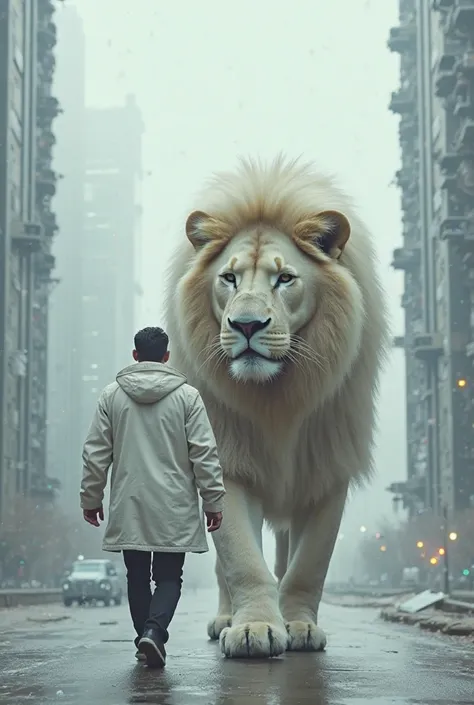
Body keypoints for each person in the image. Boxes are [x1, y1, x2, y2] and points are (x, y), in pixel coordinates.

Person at [80, 326, 225, 668]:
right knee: (169, 577)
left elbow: (95, 453)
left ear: (135, 355)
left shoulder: (111, 396)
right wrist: (213, 501)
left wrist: (91, 496)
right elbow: (204, 453)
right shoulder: (188, 397)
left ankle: (145, 635)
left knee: (136, 576)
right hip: (173, 505)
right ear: (166, 357)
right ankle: (154, 632)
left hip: (130, 502)